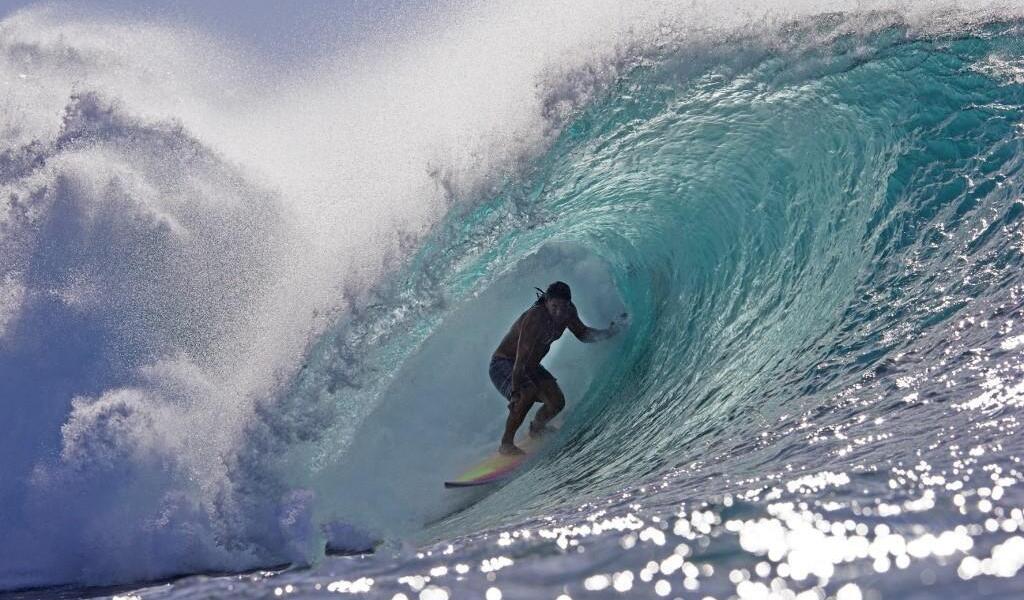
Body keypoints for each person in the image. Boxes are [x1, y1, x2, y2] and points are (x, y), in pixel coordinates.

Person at [488, 281, 625, 455]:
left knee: (556, 402)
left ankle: (537, 428)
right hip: (505, 364)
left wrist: (608, 332)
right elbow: (520, 360)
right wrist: (515, 393)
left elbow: (582, 334)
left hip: (531, 367)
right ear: (546, 301)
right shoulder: (534, 319)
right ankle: (506, 444)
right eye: (554, 306)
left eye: (563, 306)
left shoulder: (568, 313)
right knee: (527, 392)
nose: (559, 312)